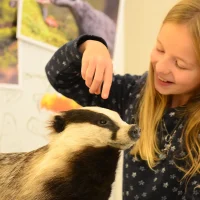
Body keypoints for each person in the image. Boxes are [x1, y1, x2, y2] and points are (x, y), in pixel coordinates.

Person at [45, 0, 200, 199]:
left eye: (179, 64)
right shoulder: (132, 92)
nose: (161, 67)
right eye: (160, 49)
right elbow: (59, 76)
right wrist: (90, 45)